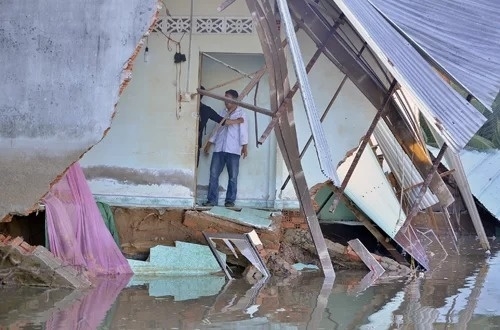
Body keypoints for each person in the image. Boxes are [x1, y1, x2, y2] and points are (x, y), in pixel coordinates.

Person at [202, 89, 248, 207]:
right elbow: (216, 129)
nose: (225, 101)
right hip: (219, 149)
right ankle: (212, 200)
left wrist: (245, 146)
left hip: (233, 150)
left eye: (228, 98)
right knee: (213, 175)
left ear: (235, 100)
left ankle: (230, 201)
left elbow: (243, 131)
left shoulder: (241, 113)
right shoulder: (222, 112)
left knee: (233, 177)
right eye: (225, 98)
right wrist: (209, 143)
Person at [197, 86, 243, 167]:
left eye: (227, 98)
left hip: (197, 144)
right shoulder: (211, 110)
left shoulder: (206, 110)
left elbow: (221, 122)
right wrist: (237, 121)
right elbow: (220, 125)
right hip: (189, 142)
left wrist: (238, 121)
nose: (225, 101)